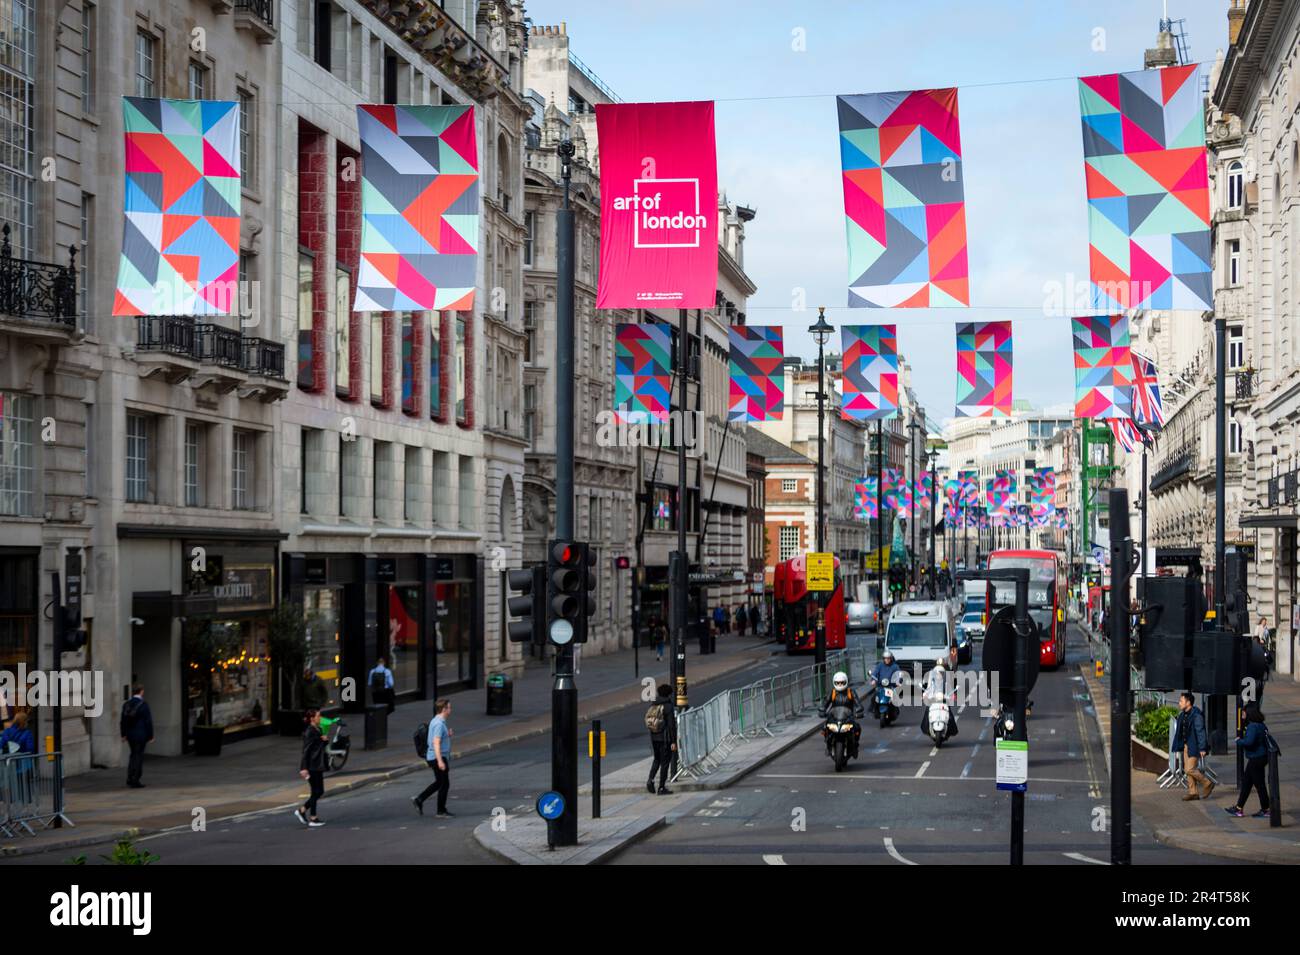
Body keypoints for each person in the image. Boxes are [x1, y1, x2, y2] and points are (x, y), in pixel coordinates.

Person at [1225, 702, 1273, 818]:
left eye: (1244, 713)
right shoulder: (1261, 725)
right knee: (1246, 783)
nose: (1242, 715)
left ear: (1249, 714)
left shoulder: (1252, 726)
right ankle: (1238, 808)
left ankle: (1266, 809)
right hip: (1260, 757)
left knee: (1259, 785)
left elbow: (1249, 742)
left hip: (1256, 758)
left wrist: (1239, 741)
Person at [412, 699, 453, 816]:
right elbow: (436, 742)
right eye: (449, 708)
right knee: (444, 784)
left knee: (440, 782)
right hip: (437, 757)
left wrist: (447, 735)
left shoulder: (436, 721)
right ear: (444, 709)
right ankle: (441, 811)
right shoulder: (439, 724)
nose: (450, 710)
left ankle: (419, 799)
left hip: (434, 756)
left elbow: (436, 738)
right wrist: (440, 761)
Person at [1172, 691, 1213, 801]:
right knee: (1187, 770)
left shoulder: (1196, 715)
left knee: (1189, 769)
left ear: (1188, 702)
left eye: (1181, 701)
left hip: (1194, 746)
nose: (1179, 703)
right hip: (1186, 746)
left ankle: (1207, 782)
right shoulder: (1183, 715)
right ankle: (1193, 792)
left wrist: (1203, 747)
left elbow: (1201, 732)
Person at [819, 671, 865, 757]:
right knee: (824, 728)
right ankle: (828, 745)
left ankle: (855, 746)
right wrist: (822, 710)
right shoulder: (832, 693)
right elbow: (825, 703)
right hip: (834, 717)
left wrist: (859, 710)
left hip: (848, 718)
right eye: (838, 683)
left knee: (857, 728)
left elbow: (858, 703)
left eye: (842, 683)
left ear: (846, 682)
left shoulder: (851, 692)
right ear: (834, 683)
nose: (840, 685)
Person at [296, 708, 328, 827]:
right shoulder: (310, 732)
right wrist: (303, 768)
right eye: (318, 716)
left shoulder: (318, 729)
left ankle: (302, 810)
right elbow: (306, 751)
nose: (320, 718)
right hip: (311, 766)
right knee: (316, 791)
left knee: (319, 791)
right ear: (312, 719)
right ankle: (313, 818)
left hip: (317, 765)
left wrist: (324, 741)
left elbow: (319, 747)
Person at [119, 685, 154, 789]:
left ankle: (130, 777)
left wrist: (123, 734)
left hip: (130, 734)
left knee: (133, 754)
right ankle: (135, 779)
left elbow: (123, 720)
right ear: (141, 692)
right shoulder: (144, 705)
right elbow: (148, 721)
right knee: (138, 756)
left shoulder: (126, 704)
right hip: (141, 734)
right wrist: (151, 735)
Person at [645, 684, 677, 795]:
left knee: (656, 759)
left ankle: (650, 780)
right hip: (665, 738)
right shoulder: (668, 706)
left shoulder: (654, 704)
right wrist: (673, 741)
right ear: (668, 694)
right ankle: (661, 787)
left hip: (654, 737)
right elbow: (671, 725)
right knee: (665, 763)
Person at [919, 659, 958, 736]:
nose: (939, 675)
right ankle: (926, 728)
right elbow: (928, 688)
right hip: (933, 700)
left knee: (949, 713)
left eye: (941, 673)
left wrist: (952, 695)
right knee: (927, 711)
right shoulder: (932, 681)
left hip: (944, 700)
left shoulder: (946, 681)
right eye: (937, 673)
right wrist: (925, 695)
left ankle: (951, 730)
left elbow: (950, 689)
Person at [868, 650, 901, 716]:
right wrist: (873, 680)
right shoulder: (880, 666)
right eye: (885, 658)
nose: (887, 660)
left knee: (895, 698)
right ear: (883, 659)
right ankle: (873, 709)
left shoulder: (895, 666)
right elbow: (875, 673)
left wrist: (898, 681)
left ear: (891, 658)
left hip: (891, 686)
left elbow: (898, 674)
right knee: (874, 697)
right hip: (881, 686)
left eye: (888, 658)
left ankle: (895, 711)